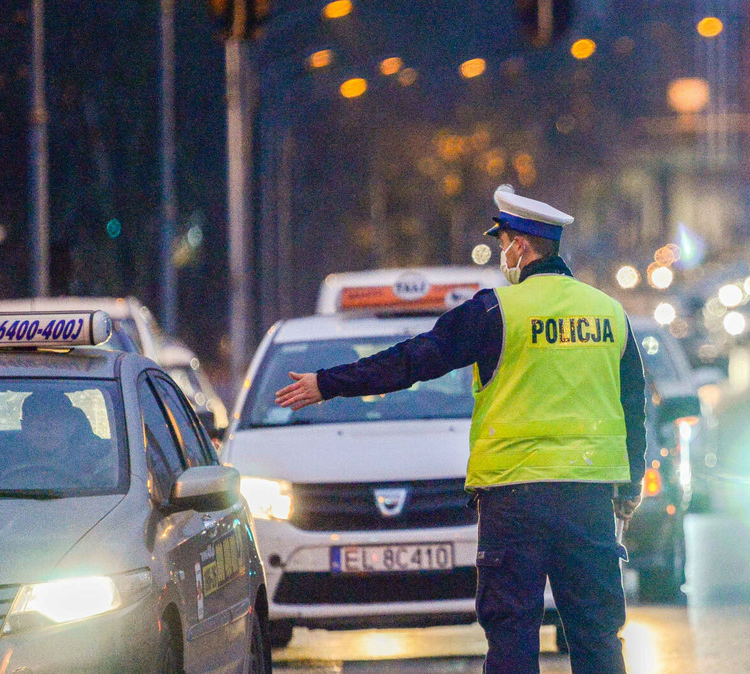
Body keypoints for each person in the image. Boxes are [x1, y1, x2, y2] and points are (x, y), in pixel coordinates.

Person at [275, 184, 647, 673]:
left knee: (512, 639)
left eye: (503, 244)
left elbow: (412, 360)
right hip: (589, 501)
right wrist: (630, 486)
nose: (501, 255)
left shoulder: (496, 312)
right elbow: (633, 406)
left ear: (521, 246)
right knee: (598, 638)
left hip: (514, 502)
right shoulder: (608, 313)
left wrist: (328, 383)